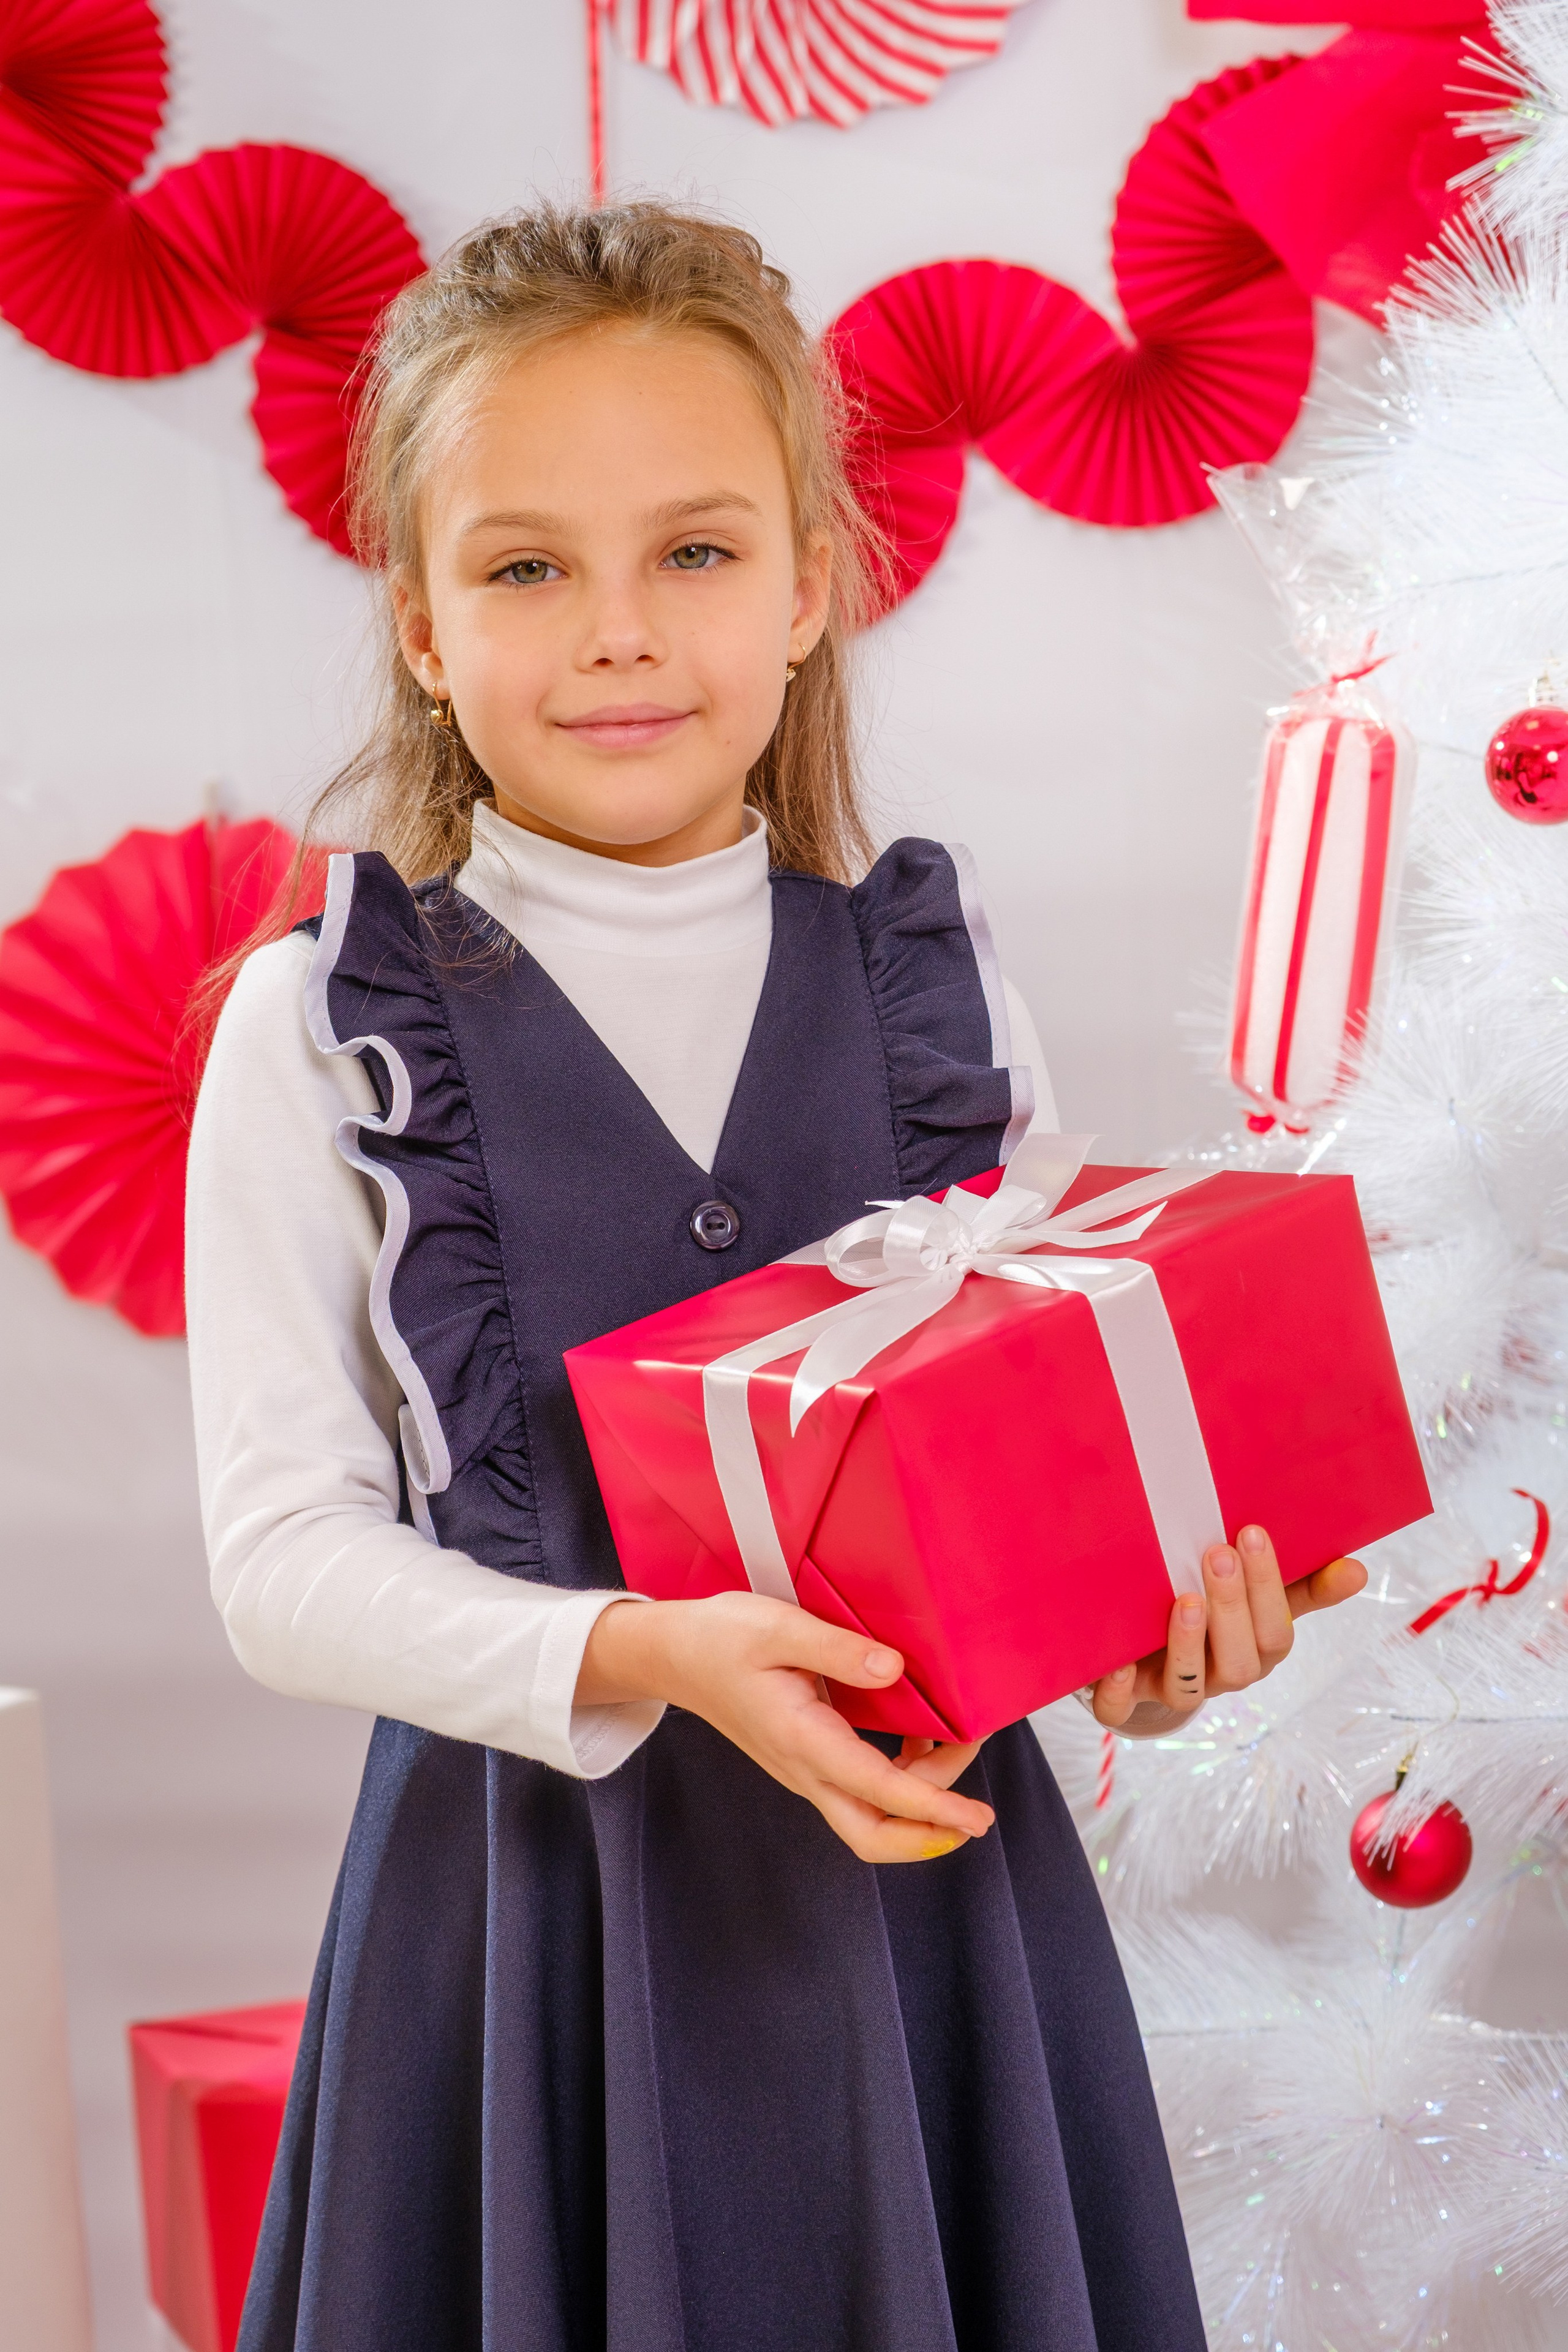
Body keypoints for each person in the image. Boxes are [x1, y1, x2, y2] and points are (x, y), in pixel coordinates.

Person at [186, 202, 1366, 2352]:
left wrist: (1143, 1652)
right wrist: (638, 1649)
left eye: (698, 552)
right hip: (527, 1946)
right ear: (427, 629)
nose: (619, 630)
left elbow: (1025, 1467)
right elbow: (278, 1565)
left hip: (928, 1933)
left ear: (815, 585)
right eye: (527, 565)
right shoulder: (320, 1026)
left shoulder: (927, 971)